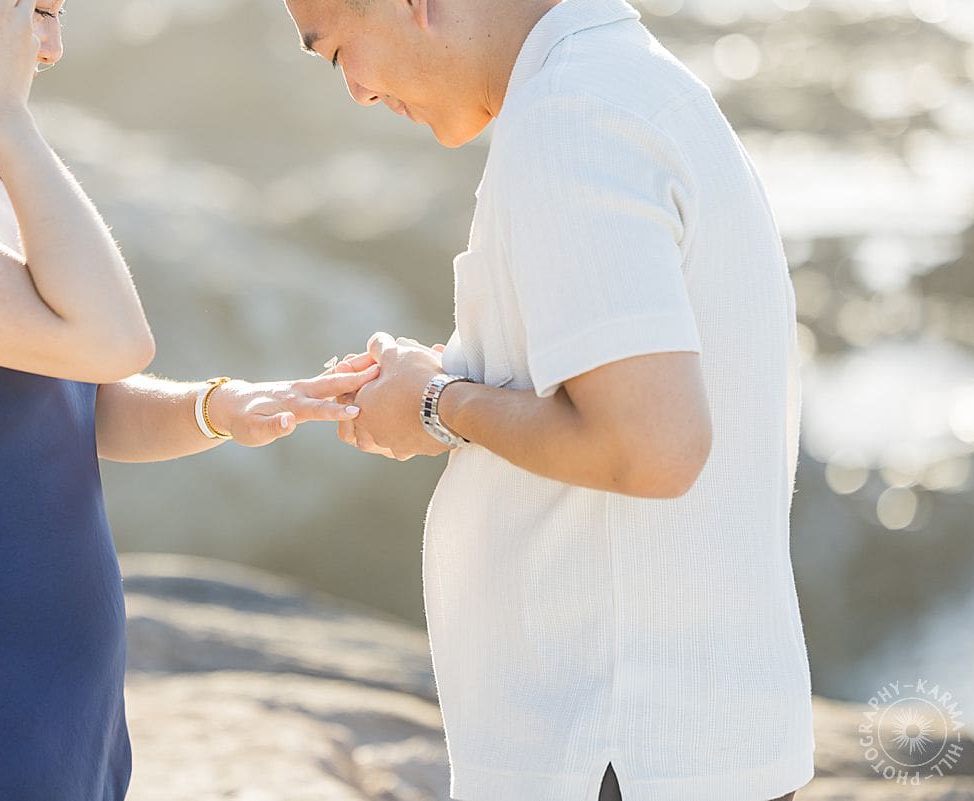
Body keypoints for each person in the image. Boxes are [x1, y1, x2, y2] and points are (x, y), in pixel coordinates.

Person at [0, 0, 375, 798]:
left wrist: (219, 407)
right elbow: (115, 336)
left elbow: (72, 401)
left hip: (61, 714)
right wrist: (2, 113)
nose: (53, 48)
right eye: (42, 11)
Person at [292, 0, 815, 799]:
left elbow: (651, 447)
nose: (357, 92)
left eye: (334, 52)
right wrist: (439, 378)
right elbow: (628, 381)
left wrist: (438, 403)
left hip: (614, 746)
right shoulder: (634, 82)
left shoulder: (569, 118)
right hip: (684, 736)